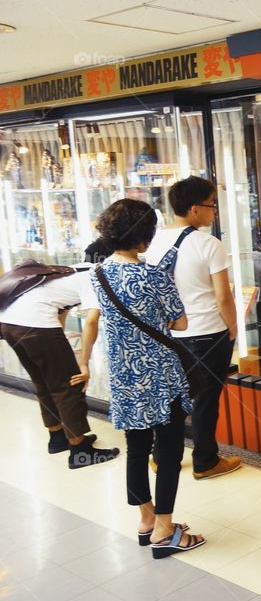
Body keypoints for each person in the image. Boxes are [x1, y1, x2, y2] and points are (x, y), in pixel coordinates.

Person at [83, 199, 205, 557]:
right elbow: (180, 323)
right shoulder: (152, 275)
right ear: (144, 236)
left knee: (137, 451)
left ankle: (146, 520)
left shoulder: (99, 274)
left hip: (124, 376)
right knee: (168, 453)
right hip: (160, 375)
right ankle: (165, 532)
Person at [144, 176, 240, 480]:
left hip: (169, 334)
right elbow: (223, 296)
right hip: (208, 333)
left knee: (173, 398)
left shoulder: (153, 241)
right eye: (212, 205)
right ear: (195, 208)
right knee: (205, 399)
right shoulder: (209, 244)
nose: (214, 211)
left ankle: (161, 457)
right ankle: (205, 461)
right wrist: (234, 327)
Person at [0, 240, 120, 469]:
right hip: (35, 325)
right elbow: (92, 322)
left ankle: (58, 438)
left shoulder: (72, 269)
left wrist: (60, 341)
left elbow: (60, 307)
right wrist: (83, 363)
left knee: (44, 382)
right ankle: (80, 451)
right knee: (69, 385)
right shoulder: (96, 276)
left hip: (8, 323)